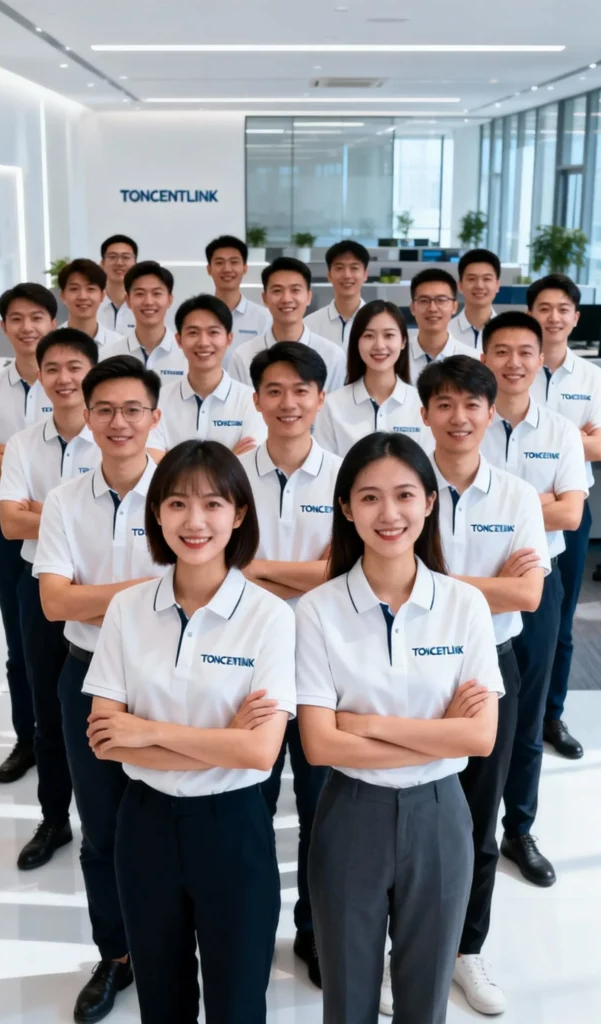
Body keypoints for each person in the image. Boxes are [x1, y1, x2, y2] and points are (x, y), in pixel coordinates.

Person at [83, 440, 296, 1023]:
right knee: (162, 997)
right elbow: (104, 739)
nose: (194, 522)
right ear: (156, 514)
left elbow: (257, 751)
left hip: (232, 826)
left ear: (240, 513)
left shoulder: (270, 617)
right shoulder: (128, 609)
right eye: (176, 504)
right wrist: (213, 740)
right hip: (145, 823)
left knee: (237, 1002)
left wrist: (144, 732)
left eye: (212, 504)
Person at [296, 431, 504, 1024]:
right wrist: (434, 731)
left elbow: (479, 738)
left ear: (430, 502)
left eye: (405, 495)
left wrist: (366, 725)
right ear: (345, 508)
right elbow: (319, 745)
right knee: (349, 998)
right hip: (349, 814)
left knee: (425, 997)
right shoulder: (318, 610)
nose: (389, 514)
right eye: (369, 498)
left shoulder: (465, 605)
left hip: (440, 814)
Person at [416, 355, 549, 1016]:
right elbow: (384, 579)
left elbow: (527, 592)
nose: (458, 417)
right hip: (406, 664)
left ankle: (468, 950)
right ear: (425, 414)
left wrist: (434, 586)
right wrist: (484, 585)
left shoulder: (518, 495)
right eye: (444, 404)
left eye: (471, 405)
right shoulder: (404, 487)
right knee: (404, 811)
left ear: (489, 414)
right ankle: (400, 947)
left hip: (489, 664)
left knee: (477, 815)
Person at [33, 355, 163, 1023]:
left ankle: (174, 944)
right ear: (87, 417)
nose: (119, 422)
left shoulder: (181, 490)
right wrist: (149, 593)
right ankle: (115, 955)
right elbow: (55, 604)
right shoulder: (64, 499)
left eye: (132, 409)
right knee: (103, 828)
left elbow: (203, 588)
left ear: (154, 417)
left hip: (173, 675)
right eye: (104, 409)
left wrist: (98, 597)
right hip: (87, 675)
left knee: (179, 820)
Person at [239, 341, 341, 987]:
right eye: (274, 390)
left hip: (321, 667)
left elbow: (343, 569)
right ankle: (246, 930)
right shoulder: (228, 476)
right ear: (256, 400)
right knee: (245, 809)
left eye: (301, 390)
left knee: (319, 809)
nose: (288, 402)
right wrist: (299, 577)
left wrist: (257, 571)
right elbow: (212, 567)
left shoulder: (344, 477)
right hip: (241, 663)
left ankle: (313, 930)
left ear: (320, 399)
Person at [480, 311, 588, 888]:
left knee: (526, 712)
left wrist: (504, 503)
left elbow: (570, 513)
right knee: (466, 706)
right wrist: (532, 501)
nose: (514, 362)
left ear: (541, 357)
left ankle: (519, 827)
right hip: (464, 587)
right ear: (484, 358)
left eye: (526, 351)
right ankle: (469, 825)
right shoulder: (463, 424)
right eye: (502, 351)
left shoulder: (561, 432)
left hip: (535, 585)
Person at [0, 329, 100, 870]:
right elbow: (10, 521)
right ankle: (55, 819)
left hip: (106, 594)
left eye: (75, 367)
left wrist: (48, 510)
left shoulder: (117, 435)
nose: (64, 379)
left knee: (112, 708)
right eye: (53, 368)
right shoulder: (23, 443)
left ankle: (116, 821)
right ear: (40, 376)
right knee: (49, 712)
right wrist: (69, 513)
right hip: (42, 588)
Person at [0, 282, 56, 784]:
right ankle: (28, 738)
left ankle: (79, 739)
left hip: (67, 529)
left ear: (53, 324)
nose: (27, 328)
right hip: (9, 528)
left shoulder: (70, 383)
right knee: (20, 641)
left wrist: (9, 451)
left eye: (37, 317)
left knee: (76, 641)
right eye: (17, 319)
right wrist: (25, 454)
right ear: (4, 327)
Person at [527, 274, 601, 759]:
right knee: (509, 616)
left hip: (569, 512)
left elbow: (599, 447)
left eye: (563, 309)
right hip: (516, 514)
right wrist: (571, 434)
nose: (553, 317)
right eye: (544, 307)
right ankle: (505, 712)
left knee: (560, 621)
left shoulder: (592, 378)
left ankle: (551, 716)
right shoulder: (513, 369)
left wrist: (553, 433)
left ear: (576, 317)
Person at [150, 294, 266, 457]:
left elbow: (249, 463)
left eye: (213, 332)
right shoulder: (159, 400)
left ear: (229, 339)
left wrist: (172, 459)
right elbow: (155, 465)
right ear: (179, 340)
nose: (203, 342)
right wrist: (229, 457)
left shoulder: (251, 402)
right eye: (193, 333)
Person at [314, 299, 430, 456]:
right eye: (369, 336)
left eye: (389, 335)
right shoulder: (333, 405)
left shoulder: (420, 403)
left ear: (403, 341)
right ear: (357, 342)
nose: (379, 345)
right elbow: (326, 468)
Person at [228, 256, 346, 392]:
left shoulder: (332, 355)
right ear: (264, 298)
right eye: (277, 291)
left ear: (308, 297)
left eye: (295, 290)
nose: (286, 299)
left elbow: (333, 410)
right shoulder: (243, 356)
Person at [105, 261, 187, 380]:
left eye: (157, 293)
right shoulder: (109, 354)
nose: (148, 302)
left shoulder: (187, 354)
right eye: (140, 294)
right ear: (127, 300)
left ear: (170, 300)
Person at [205, 234, 272, 364]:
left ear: (245, 268)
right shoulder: (199, 316)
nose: (227, 269)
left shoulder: (263, 318)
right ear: (209, 269)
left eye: (234, 262)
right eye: (219, 262)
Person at [408, 268, 479, 384]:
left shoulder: (472, 359)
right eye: (424, 300)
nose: (432, 308)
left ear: (454, 307)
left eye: (441, 300)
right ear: (412, 308)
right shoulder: (397, 358)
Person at [304, 240, 369, 349]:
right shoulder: (309, 325)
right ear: (329, 275)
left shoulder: (377, 322)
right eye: (339, 268)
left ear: (365, 275)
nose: (347, 275)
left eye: (354, 268)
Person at [58, 259, 123, 348]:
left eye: (90, 289)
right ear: (62, 295)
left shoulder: (118, 345)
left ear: (102, 295)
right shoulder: (50, 344)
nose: (83, 296)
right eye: (74, 289)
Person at [451, 249, 501, 350]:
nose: (479, 286)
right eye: (471, 279)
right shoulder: (447, 332)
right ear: (460, 285)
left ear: (497, 285)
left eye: (486, 279)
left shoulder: (508, 332)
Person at [98, 234, 138, 333]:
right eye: (112, 257)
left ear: (135, 264)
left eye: (126, 257)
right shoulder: (92, 304)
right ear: (102, 264)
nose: (119, 263)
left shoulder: (143, 305)